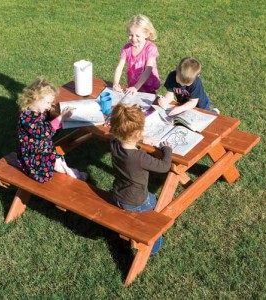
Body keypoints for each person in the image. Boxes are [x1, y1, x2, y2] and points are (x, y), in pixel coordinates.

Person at [109, 103, 172, 254]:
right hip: (136, 200)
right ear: (137, 133)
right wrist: (167, 149)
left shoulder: (114, 144)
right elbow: (164, 166)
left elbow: (122, 137)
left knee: (151, 198)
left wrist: (142, 139)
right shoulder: (139, 157)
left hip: (118, 194)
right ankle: (152, 246)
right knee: (155, 206)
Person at [17, 76, 87, 183]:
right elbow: (44, 132)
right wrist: (60, 118)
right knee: (53, 168)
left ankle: (69, 171)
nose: (49, 106)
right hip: (35, 157)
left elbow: (48, 129)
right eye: (48, 102)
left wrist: (56, 118)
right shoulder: (27, 118)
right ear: (36, 98)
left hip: (42, 149)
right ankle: (74, 176)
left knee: (59, 160)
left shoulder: (37, 111)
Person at [113, 14, 160, 95]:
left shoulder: (150, 48)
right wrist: (115, 83)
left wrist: (136, 87)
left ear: (147, 34)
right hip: (132, 85)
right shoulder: (126, 48)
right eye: (131, 35)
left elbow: (148, 70)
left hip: (148, 87)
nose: (133, 39)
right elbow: (119, 67)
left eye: (137, 36)